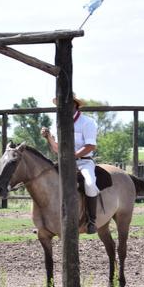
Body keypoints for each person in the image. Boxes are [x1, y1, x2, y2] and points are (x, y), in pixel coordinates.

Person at [41, 94, 99, 234]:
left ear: (74, 104)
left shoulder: (87, 122)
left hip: (84, 162)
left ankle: (91, 220)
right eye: (59, 104)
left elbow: (90, 146)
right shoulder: (59, 124)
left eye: (64, 103)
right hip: (64, 163)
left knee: (90, 185)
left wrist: (72, 157)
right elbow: (57, 149)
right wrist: (48, 137)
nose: (60, 107)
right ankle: (45, 222)